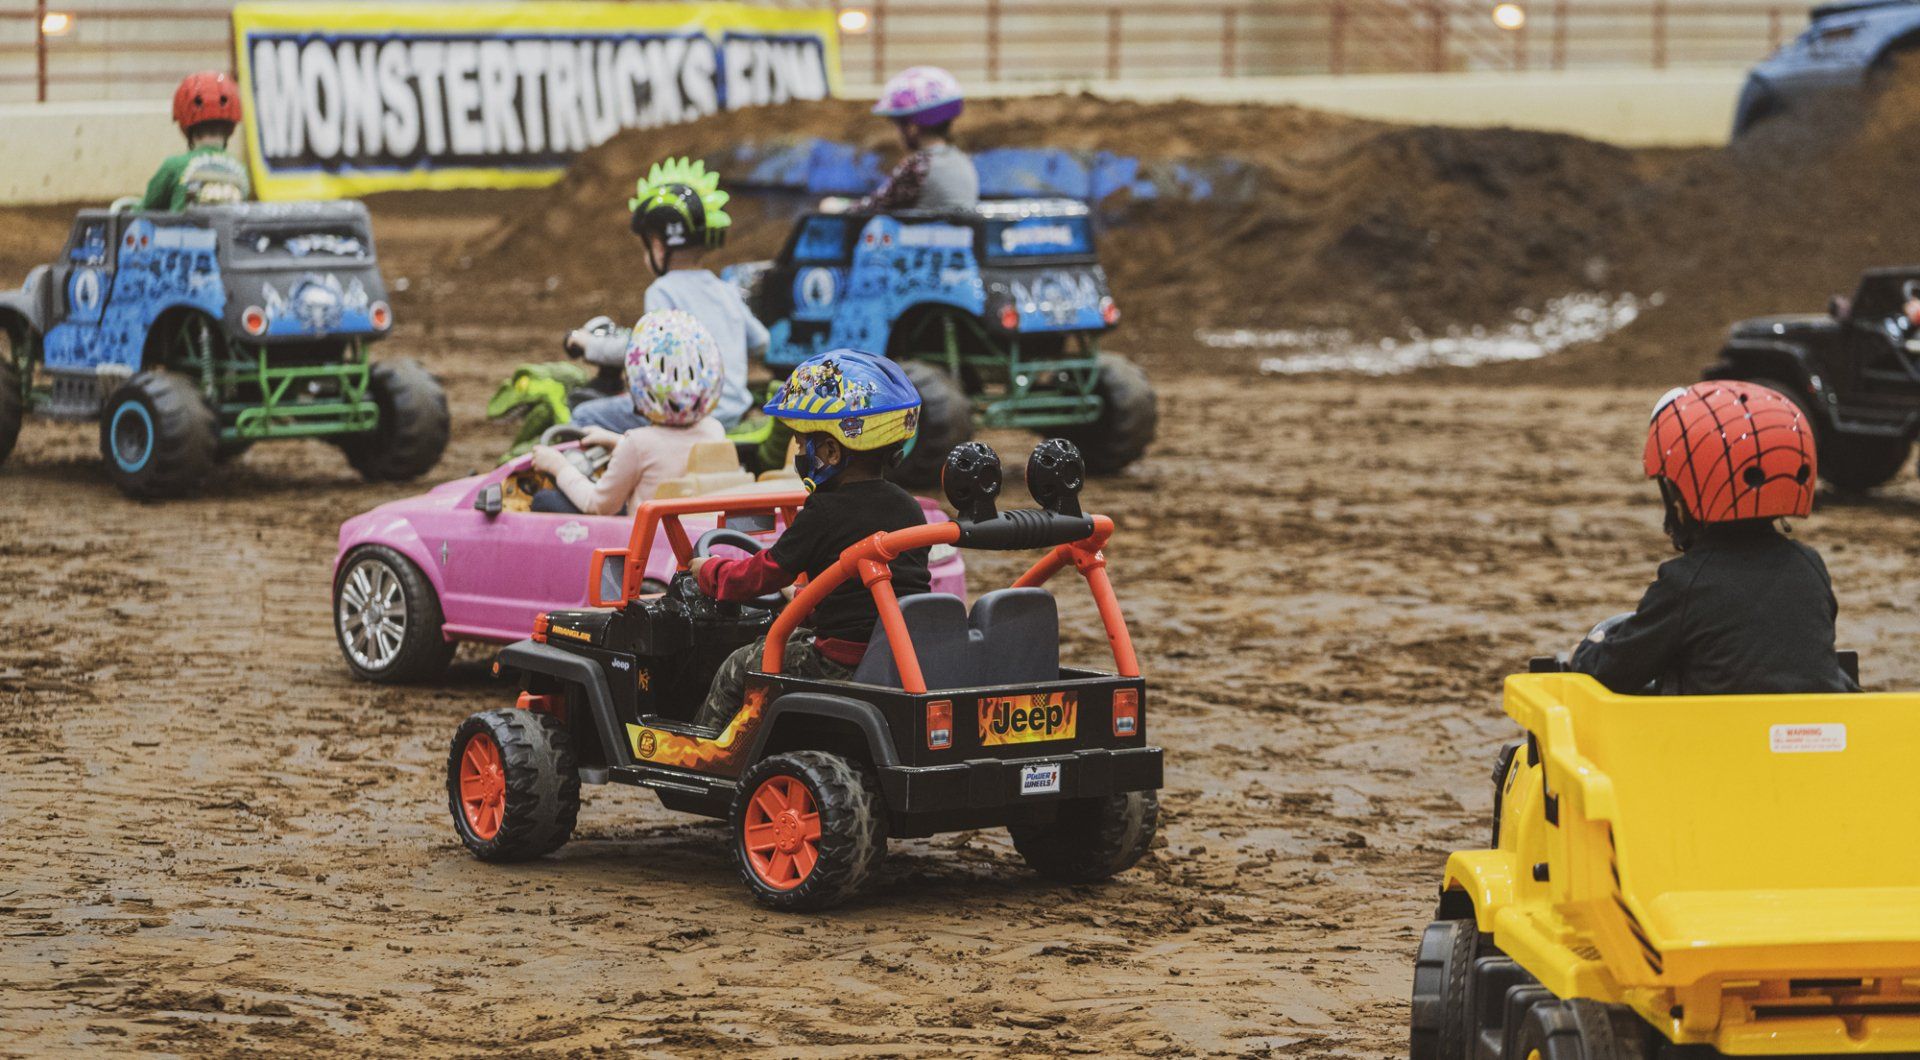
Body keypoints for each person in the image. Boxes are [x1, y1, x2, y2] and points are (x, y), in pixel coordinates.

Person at [687, 350, 930, 731]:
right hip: (897, 651)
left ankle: (704, 754)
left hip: (839, 659)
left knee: (737, 666)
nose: (801, 454)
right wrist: (804, 599)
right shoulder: (910, 508)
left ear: (831, 451)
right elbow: (868, 589)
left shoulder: (824, 510)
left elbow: (764, 573)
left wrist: (712, 573)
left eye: (803, 444)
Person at [1570, 380, 1857, 696]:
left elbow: (1612, 671)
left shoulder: (1685, 583)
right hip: (1814, 737)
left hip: (1719, 740)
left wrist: (1587, 649)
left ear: (1681, 502)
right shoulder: (1809, 566)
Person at [569, 158, 765, 436]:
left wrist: (589, 345)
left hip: (691, 414)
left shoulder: (662, 291)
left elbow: (645, 352)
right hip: (735, 412)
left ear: (659, 246)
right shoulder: (725, 289)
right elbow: (761, 342)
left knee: (583, 414)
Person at [527, 310, 727, 515]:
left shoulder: (637, 445)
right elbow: (668, 455)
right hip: (694, 533)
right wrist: (616, 441)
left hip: (648, 541)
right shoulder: (714, 430)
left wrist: (558, 466)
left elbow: (598, 505)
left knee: (543, 500)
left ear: (637, 384)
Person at [852, 66, 980, 214]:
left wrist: (836, 208)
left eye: (898, 125)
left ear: (912, 128)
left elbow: (873, 207)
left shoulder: (918, 166)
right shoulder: (961, 160)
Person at [140, 71, 250, 211]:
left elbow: (143, 211)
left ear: (184, 123)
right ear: (231, 127)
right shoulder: (241, 170)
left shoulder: (173, 166)